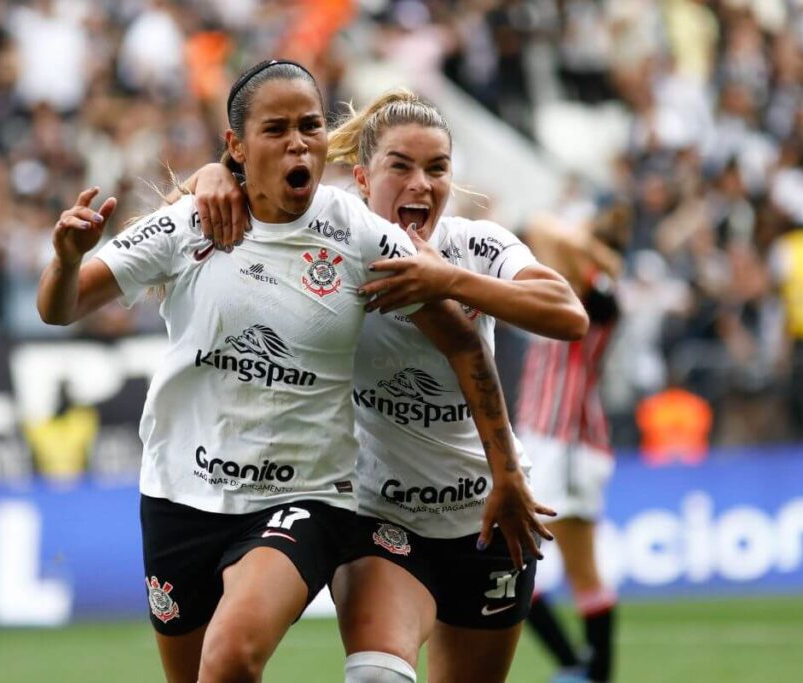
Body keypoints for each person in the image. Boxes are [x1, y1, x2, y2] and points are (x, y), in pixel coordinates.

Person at [36, 61, 546, 683]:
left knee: (230, 660)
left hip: (303, 498)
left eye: (309, 126)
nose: (299, 141)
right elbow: (59, 308)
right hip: (179, 491)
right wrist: (65, 259)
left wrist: (507, 471)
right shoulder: (191, 220)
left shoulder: (354, 232)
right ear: (236, 147)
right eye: (276, 129)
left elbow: (465, 343)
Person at [184, 88, 588, 682]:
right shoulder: (332, 244)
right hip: (379, 516)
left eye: (437, 168)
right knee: (377, 675)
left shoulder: (477, 247)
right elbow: (225, 202)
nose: (421, 184)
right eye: (400, 166)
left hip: (490, 512)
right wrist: (212, 174)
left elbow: (567, 313)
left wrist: (447, 278)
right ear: (362, 179)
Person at [515, 202, 630, 683]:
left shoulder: (594, 292)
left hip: (567, 441)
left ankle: (589, 672)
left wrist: (584, 239)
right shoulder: (576, 285)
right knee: (515, 562)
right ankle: (575, 665)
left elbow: (541, 226)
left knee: (577, 570)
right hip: (548, 439)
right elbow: (538, 228)